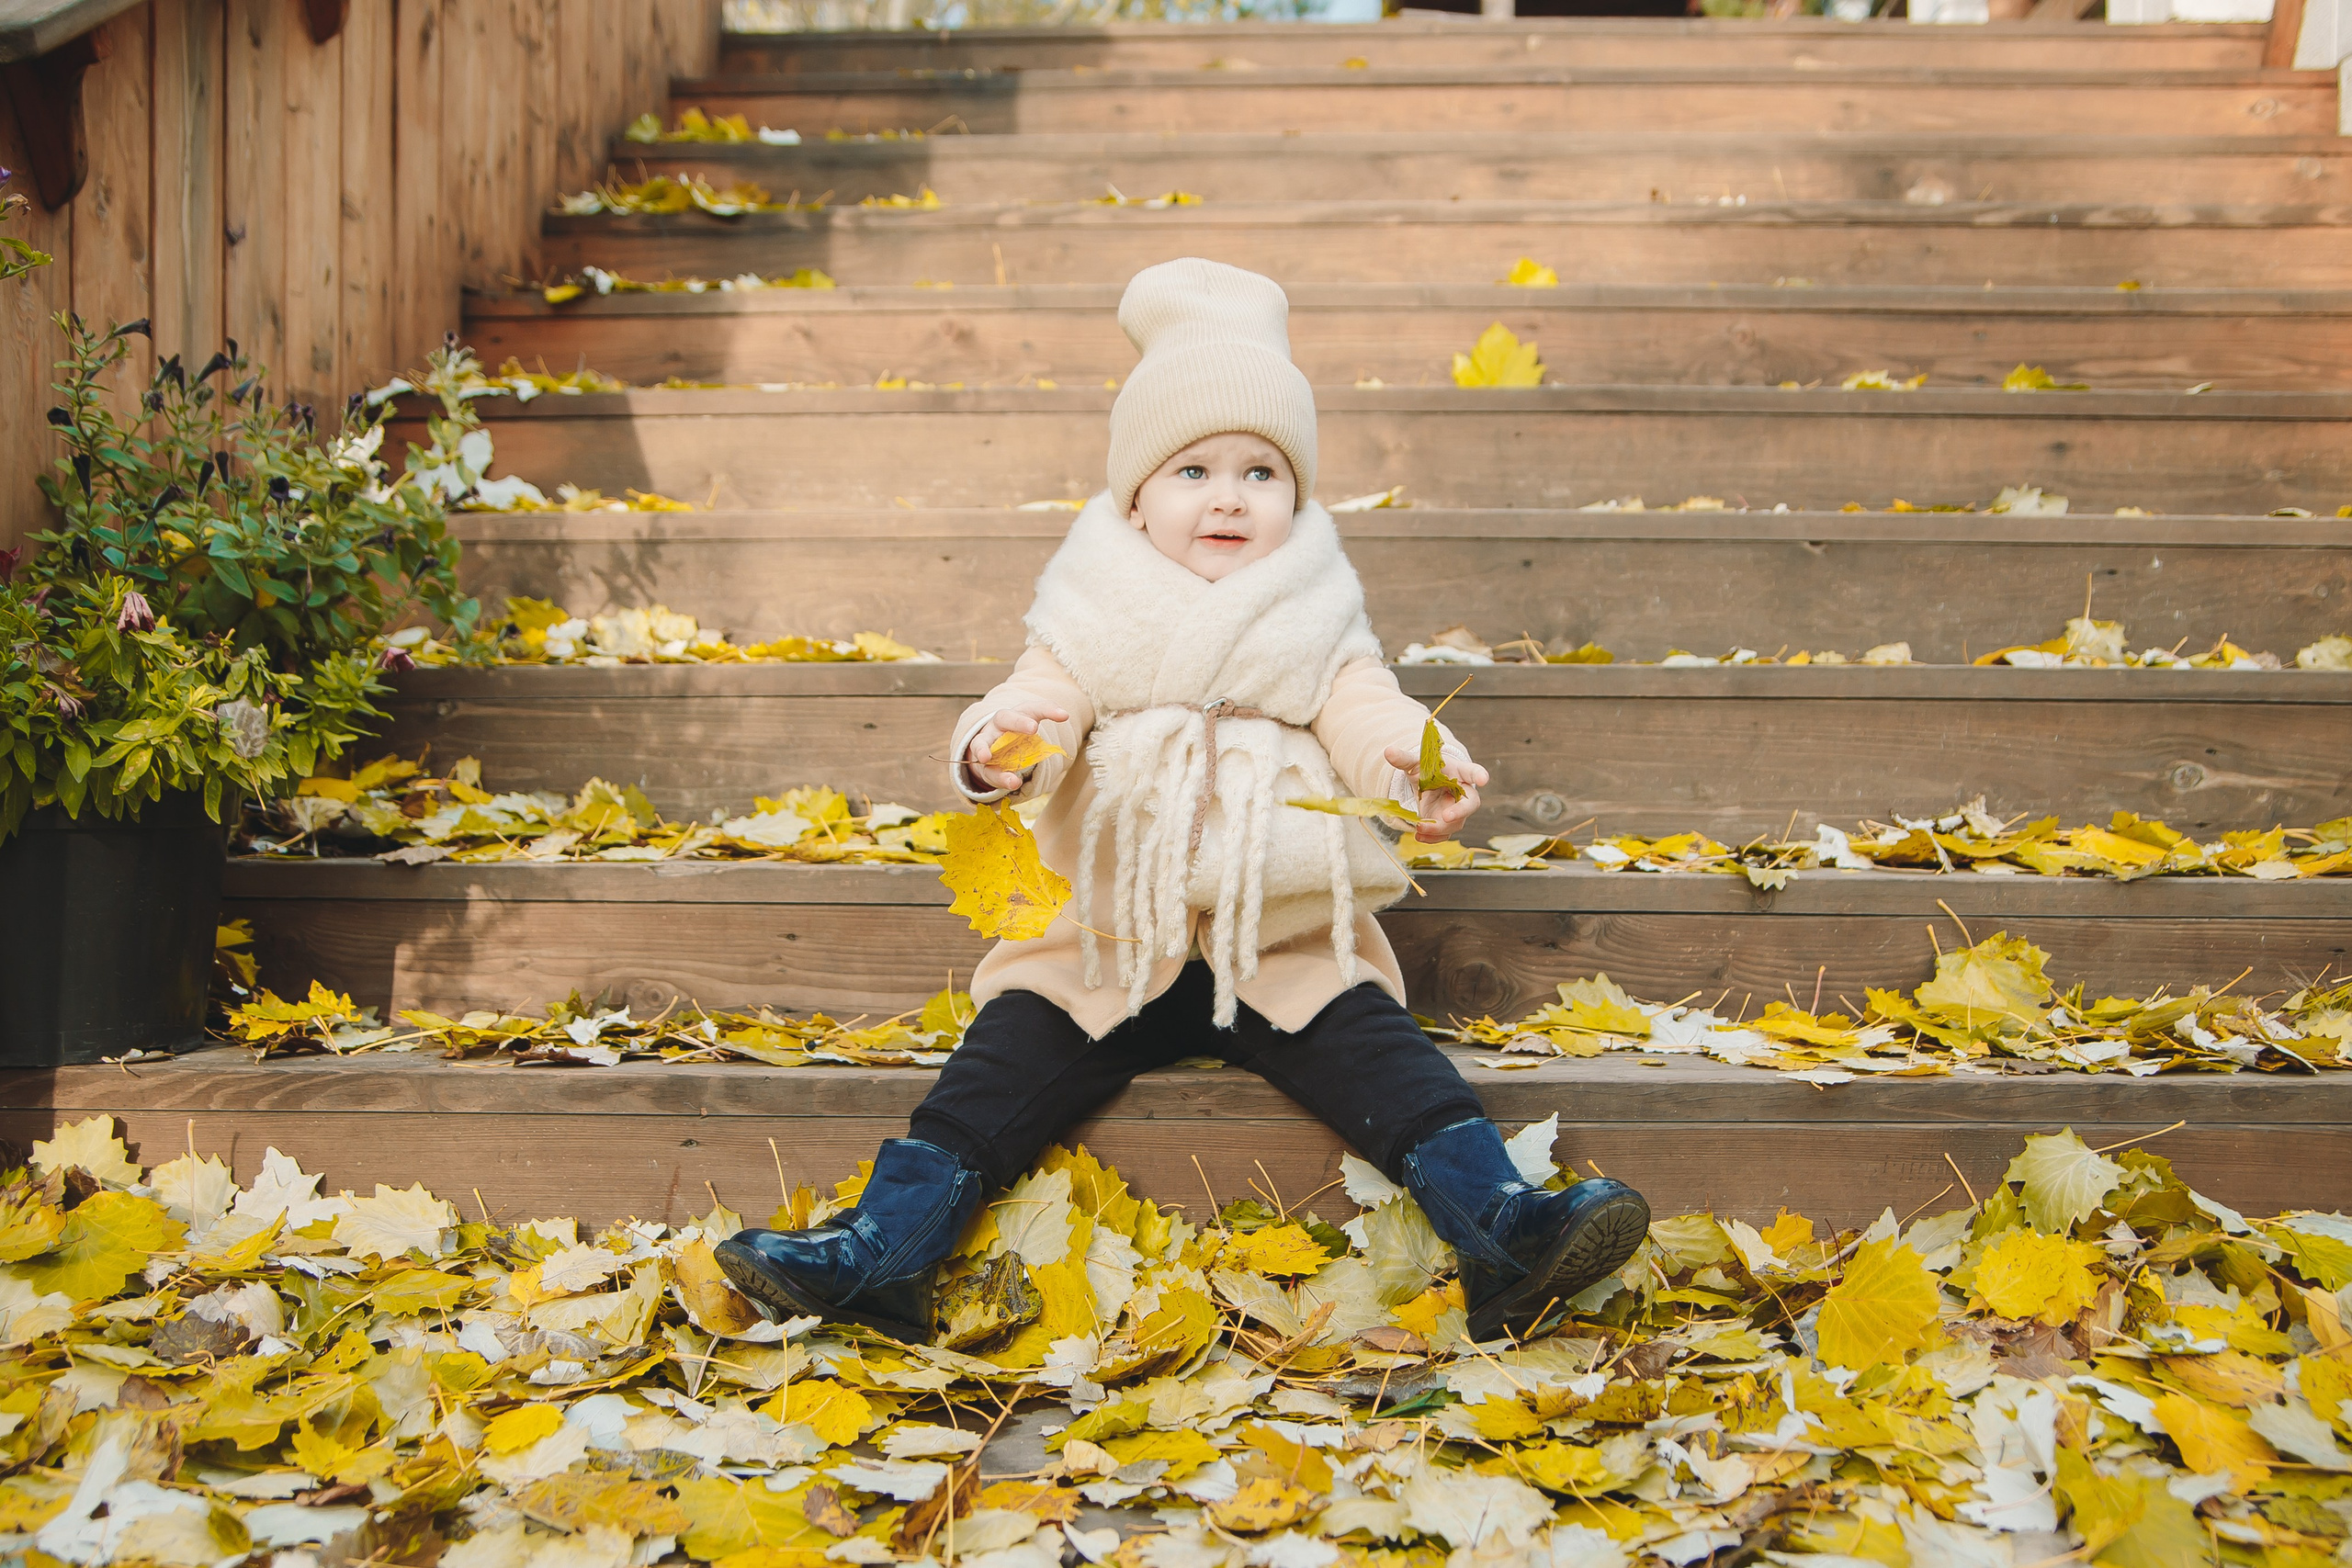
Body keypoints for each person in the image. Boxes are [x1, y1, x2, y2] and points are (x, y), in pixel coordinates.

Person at [718, 258, 1649, 1346]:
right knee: (1001, 1060)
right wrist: (1005, 749)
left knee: (1381, 1052)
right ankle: (885, 1251)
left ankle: (1501, 1226)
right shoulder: (1090, 613)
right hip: (1115, 935)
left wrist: (1412, 766)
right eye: (1193, 469)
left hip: (1277, 930)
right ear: (1136, 497)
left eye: (1261, 472)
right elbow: (1043, 699)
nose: (1227, 496)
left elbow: (1364, 712)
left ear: (1296, 495)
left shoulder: (1317, 616)